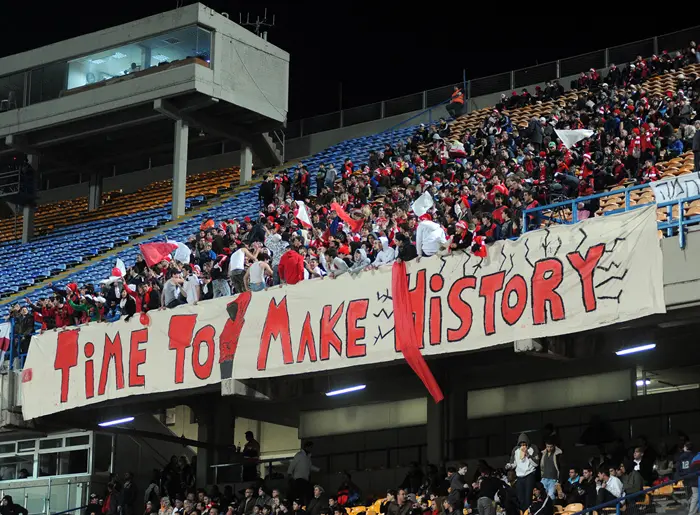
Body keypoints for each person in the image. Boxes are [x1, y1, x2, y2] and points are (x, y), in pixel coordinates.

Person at [509, 433, 539, 510]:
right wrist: (509, 466)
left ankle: (529, 511)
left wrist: (528, 455)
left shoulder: (533, 448)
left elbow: (536, 464)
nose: (523, 446)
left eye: (524, 444)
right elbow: (514, 463)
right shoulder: (516, 450)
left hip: (529, 474)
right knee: (520, 497)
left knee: (528, 497)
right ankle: (523, 511)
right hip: (519, 476)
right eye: (521, 444)